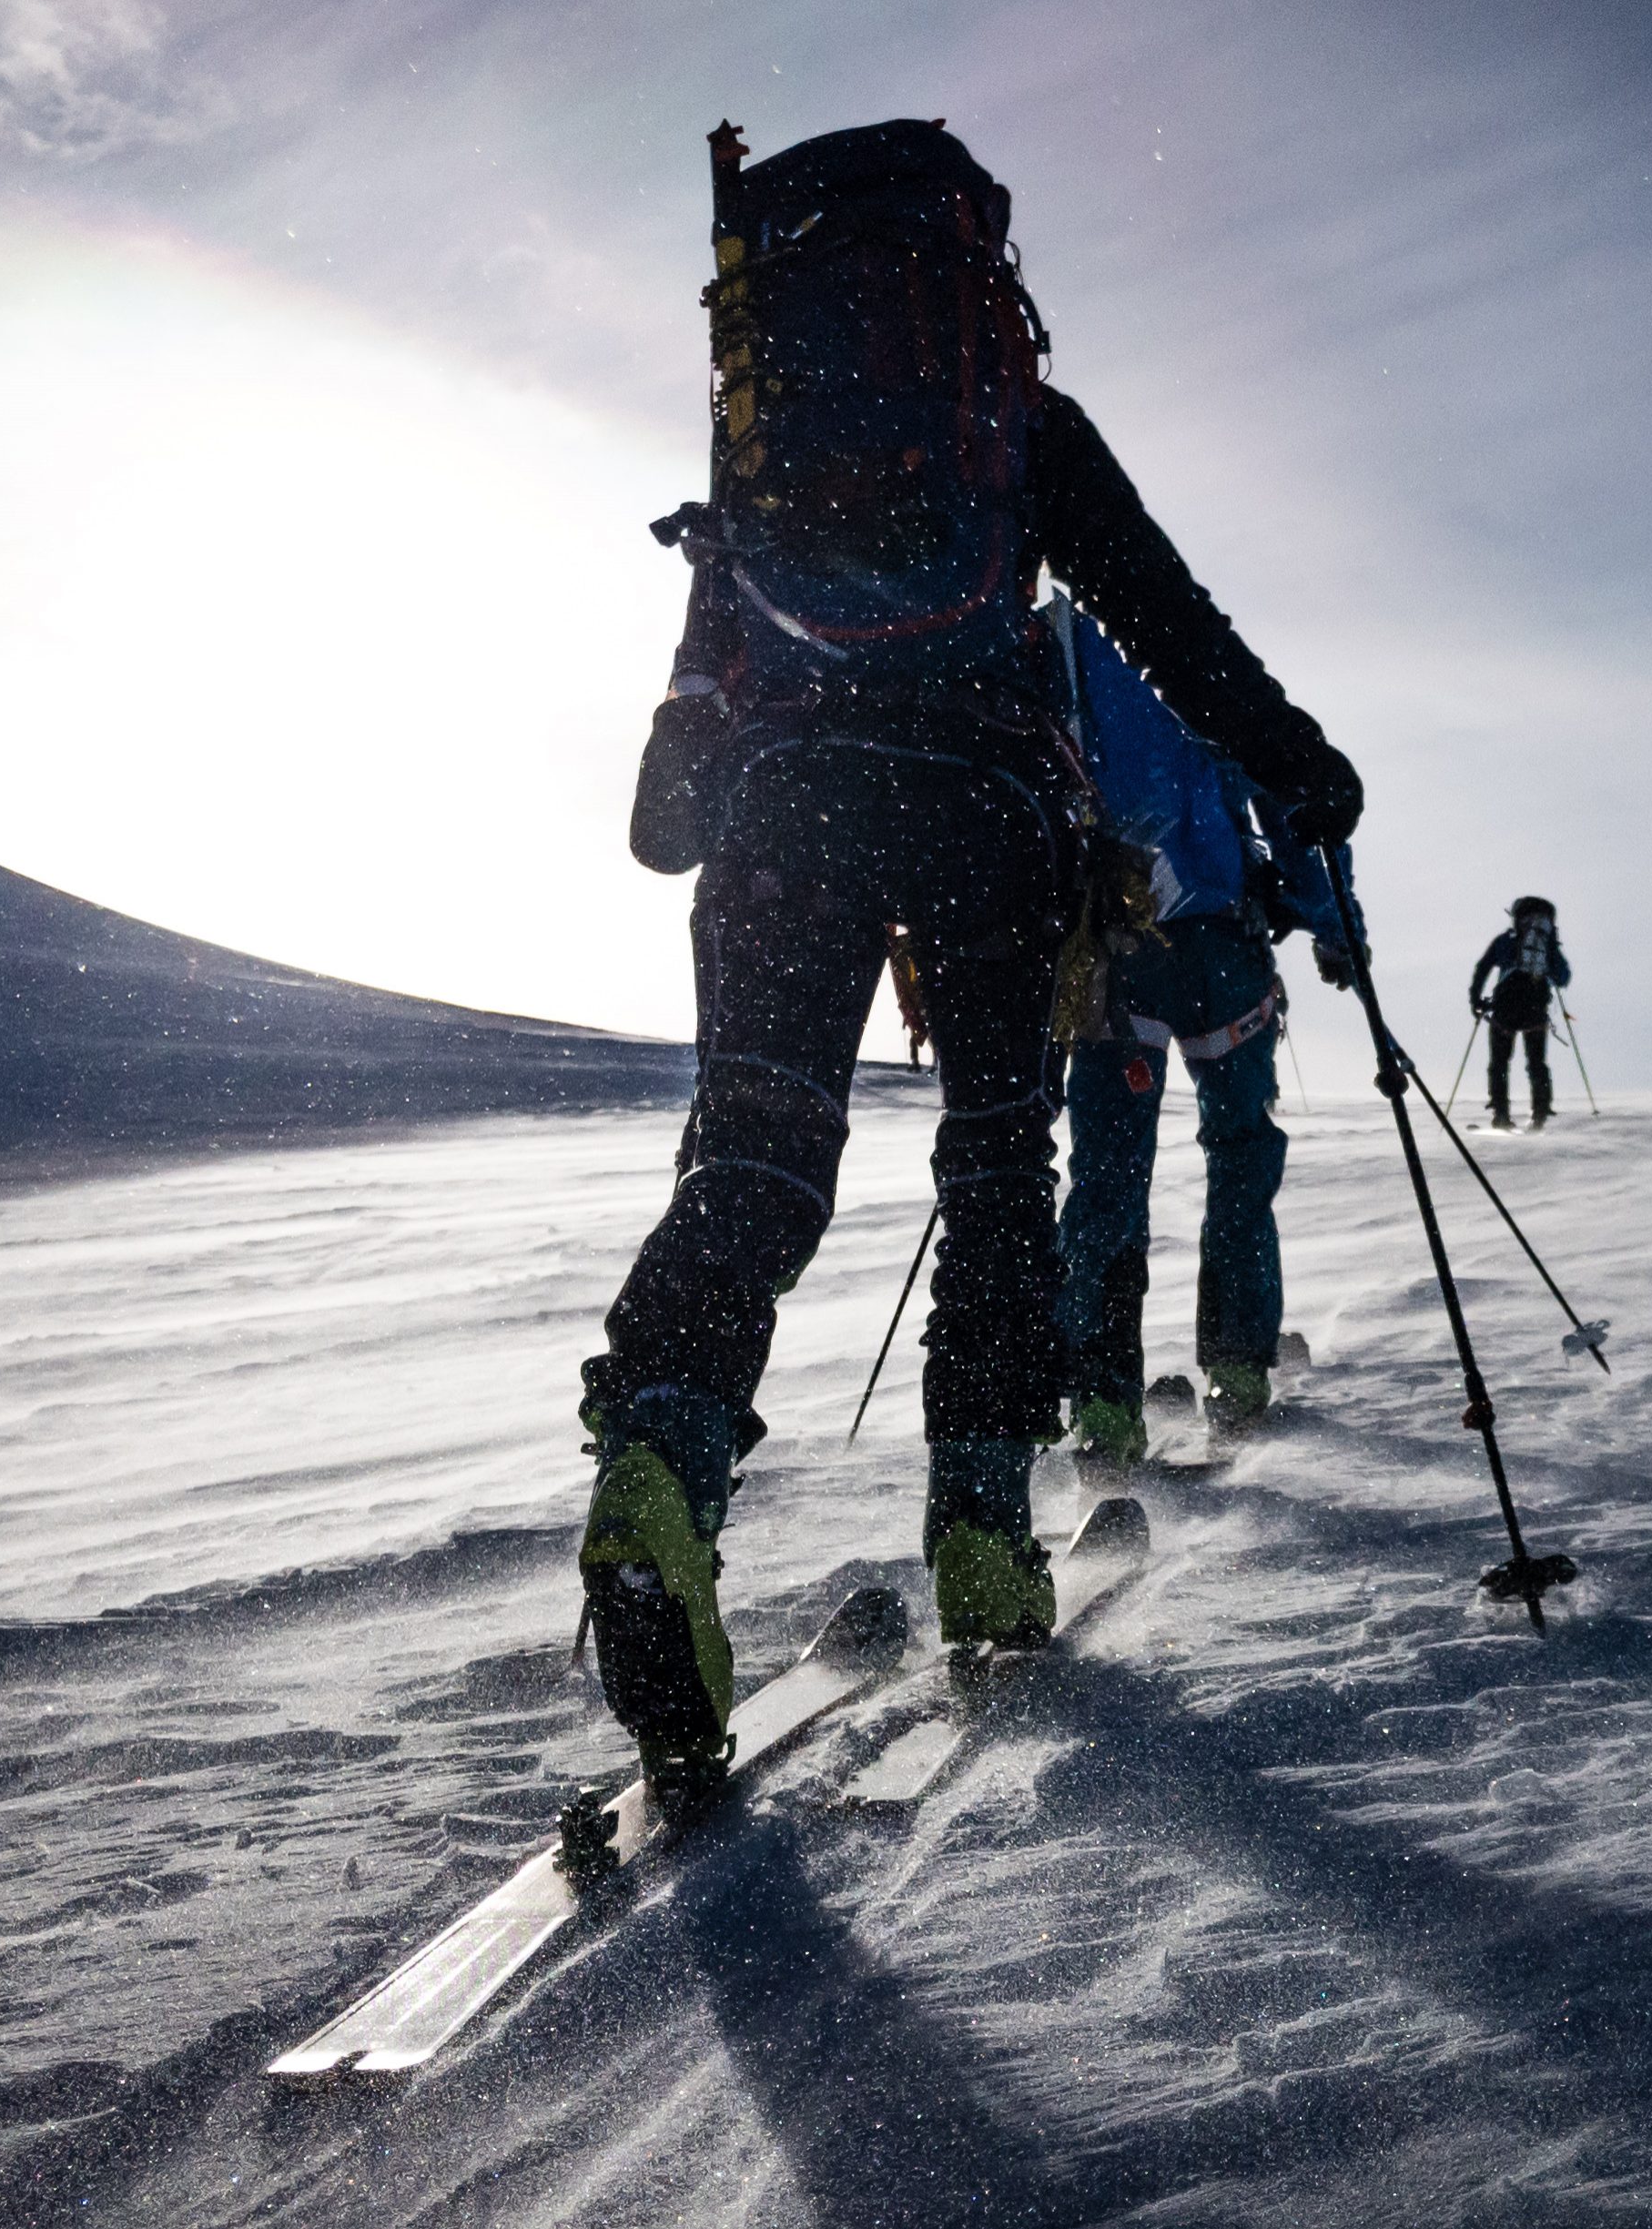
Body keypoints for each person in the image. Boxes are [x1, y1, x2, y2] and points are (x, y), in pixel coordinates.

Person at [577, 118, 1363, 1807]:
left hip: (783, 820)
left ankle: (660, 1444)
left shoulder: (757, 435)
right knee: (1000, 1167)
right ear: (976, 270)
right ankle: (986, 1529)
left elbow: (667, 807)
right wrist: (1295, 763)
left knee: (756, 1158)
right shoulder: (1009, 417)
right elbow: (1161, 614)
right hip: (987, 818)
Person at [1048, 593, 1361, 1474]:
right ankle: (1234, 1367)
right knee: (1241, 1154)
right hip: (1224, 951)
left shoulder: (1074, 665)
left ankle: (1104, 1399)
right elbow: (1298, 821)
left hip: (1119, 949)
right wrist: (1338, 928)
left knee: (1107, 1177)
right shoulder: (1214, 689)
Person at [1468, 896, 1570, 1130]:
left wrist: (1476, 999)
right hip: (1535, 1010)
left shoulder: (1506, 941)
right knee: (1536, 1063)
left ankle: (1501, 1115)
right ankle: (1540, 1114)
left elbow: (1482, 968)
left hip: (1505, 1008)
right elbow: (1563, 977)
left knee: (1499, 1063)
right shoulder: (1547, 944)